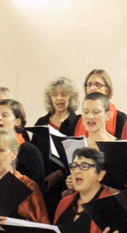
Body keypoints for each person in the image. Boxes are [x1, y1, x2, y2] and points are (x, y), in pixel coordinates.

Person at [31, 77, 80, 217]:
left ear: (71, 97)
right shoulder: (41, 122)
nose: (59, 98)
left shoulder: (77, 122)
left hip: (69, 184)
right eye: (55, 94)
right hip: (44, 185)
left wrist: (59, 173)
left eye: (64, 94)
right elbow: (35, 155)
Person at [73, 69, 127, 138]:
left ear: (107, 91)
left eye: (97, 85)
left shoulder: (120, 118)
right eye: (89, 84)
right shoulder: (77, 120)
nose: (92, 88)